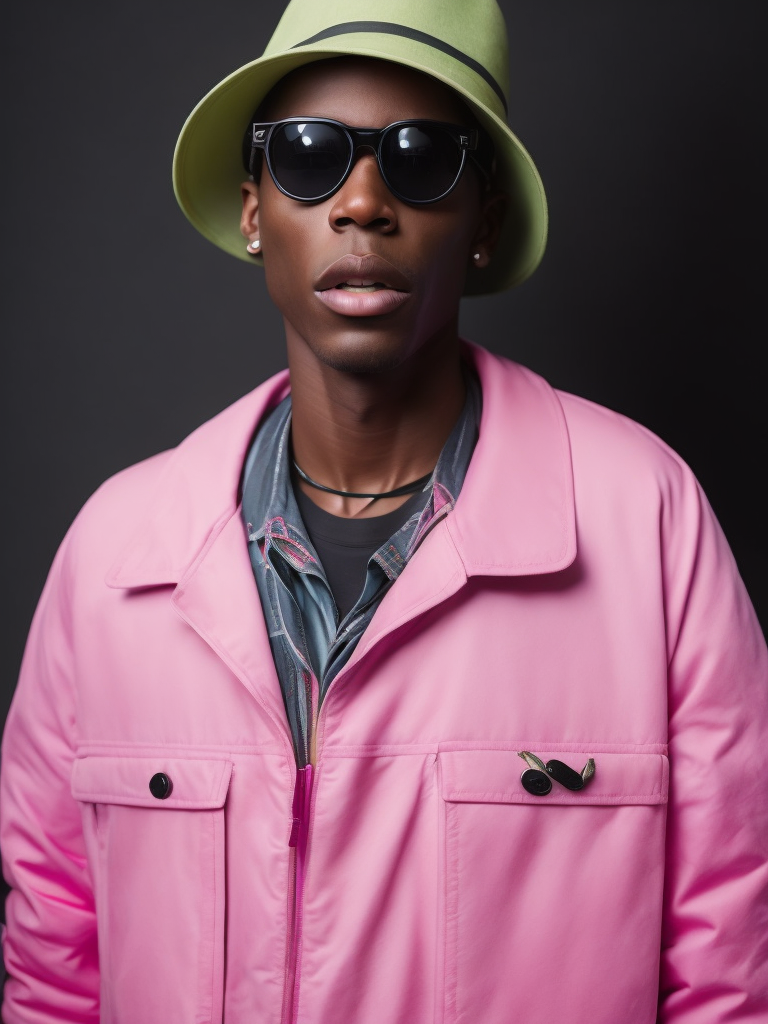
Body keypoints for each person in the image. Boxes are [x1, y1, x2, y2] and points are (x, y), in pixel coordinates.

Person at [1, 0, 766, 1021]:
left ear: (485, 221)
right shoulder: (112, 556)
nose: (363, 202)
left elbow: (729, 969)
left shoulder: (647, 524)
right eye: (311, 155)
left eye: (421, 157)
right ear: (254, 208)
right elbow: (57, 962)